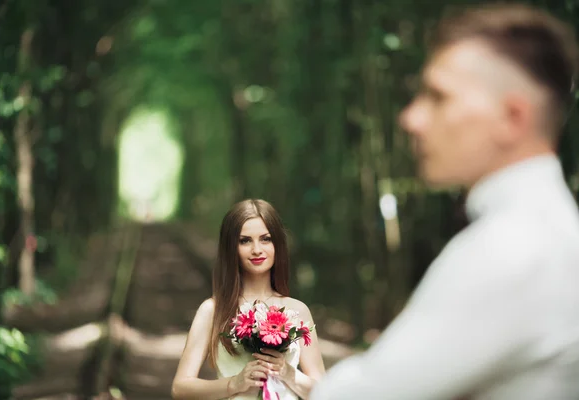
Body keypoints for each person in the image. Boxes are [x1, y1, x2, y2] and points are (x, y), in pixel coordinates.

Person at [310, 3, 579, 400]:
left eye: (439, 97)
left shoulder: (514, 247)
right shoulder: (549, 227)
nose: (412, 119)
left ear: (513, 117)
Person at [172, 199, 325, 400]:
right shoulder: (213, 310)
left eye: (266, 239)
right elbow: (180, 388)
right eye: (245, 240)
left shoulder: (298, 310)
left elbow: (325, 392)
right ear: (231, 247)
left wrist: (289, 373)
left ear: (277, 243)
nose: (257, 249)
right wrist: (234, 383)